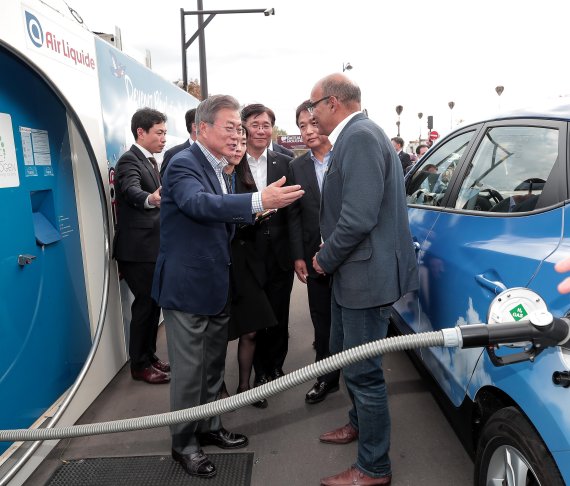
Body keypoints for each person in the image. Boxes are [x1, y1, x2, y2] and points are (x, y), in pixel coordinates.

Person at [151, 94, 303, 479]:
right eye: (231, 126)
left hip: (219, 285)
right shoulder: (184, 163)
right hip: (187, 289)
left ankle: (210, 426)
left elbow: (224, 223)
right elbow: (198, 205)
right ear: (202, 129)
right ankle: (184, 444)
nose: (239, 134)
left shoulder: (224, 169)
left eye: (240, 127)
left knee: (212, 368)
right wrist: (256, 200)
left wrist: (258, 209)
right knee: (188, 374)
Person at [309, 74, 419, 486]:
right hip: (356, 274)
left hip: (363, 276)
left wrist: (324, 258)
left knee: (363, 373)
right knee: (348, 359)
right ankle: (358, 424)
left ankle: (374, 468)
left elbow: (358, 217)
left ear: (333, 103)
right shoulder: (361, 135)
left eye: (314, 103)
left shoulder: (358, 137)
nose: (310, 111)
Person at [114, 107, 170, 385]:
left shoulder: (150, 161)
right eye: (159, 133)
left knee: (153, 304)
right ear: (141, 132)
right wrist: (152, 199)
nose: (164, 138)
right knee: (145, 305)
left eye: (165, 132)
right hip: (137, 251)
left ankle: (149, 356)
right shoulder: (129, 161)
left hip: (152, 248)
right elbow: (131, 191)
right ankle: (139, 366)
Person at [288, 100, 339, 404]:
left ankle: (357, 376)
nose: (307, 131)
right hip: (314, 259)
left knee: (351, 322)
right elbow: (294, 215)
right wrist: (298, 256)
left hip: (350, 258)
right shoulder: (298, 166)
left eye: (312, 123)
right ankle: (326, 378)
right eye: (301, 127)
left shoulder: (346, 156)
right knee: (322, 320)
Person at [240, 103, 295, 390]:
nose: (261, 130)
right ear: (244, 128)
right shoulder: (233, 163)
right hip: (248, 254)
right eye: (255, 124)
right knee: (255, 318)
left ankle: (275, 366)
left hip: (280, 255)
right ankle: (258, 373)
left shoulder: (285, 162)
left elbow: (295, 212)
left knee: (279, 314)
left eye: (266, 125)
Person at [222, 127, 278, 408]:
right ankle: (218, 391)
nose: (238, 147)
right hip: (219, 264)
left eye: (242, 143)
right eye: (233, 141)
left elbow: (249, 211)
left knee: (252, 329)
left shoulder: (246, 176)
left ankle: (246, 386)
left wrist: (255, 214)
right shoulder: (211, 176)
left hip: (247, 262)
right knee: (217, 333)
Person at [160, 108, 197, 177]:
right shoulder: (173, 153)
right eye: (209, 123)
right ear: (195, 127)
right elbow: (164, 183)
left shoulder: (215, 154)